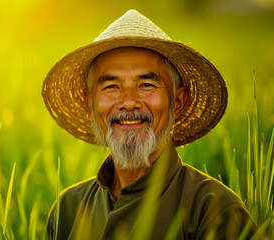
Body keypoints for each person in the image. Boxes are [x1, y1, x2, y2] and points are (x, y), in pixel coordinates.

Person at [42, 9, 257, 239]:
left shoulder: (212, 209)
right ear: (90, 105)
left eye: (146, 84)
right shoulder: (68, 209)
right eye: (111, 87)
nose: (128, 102)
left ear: (178, 101)